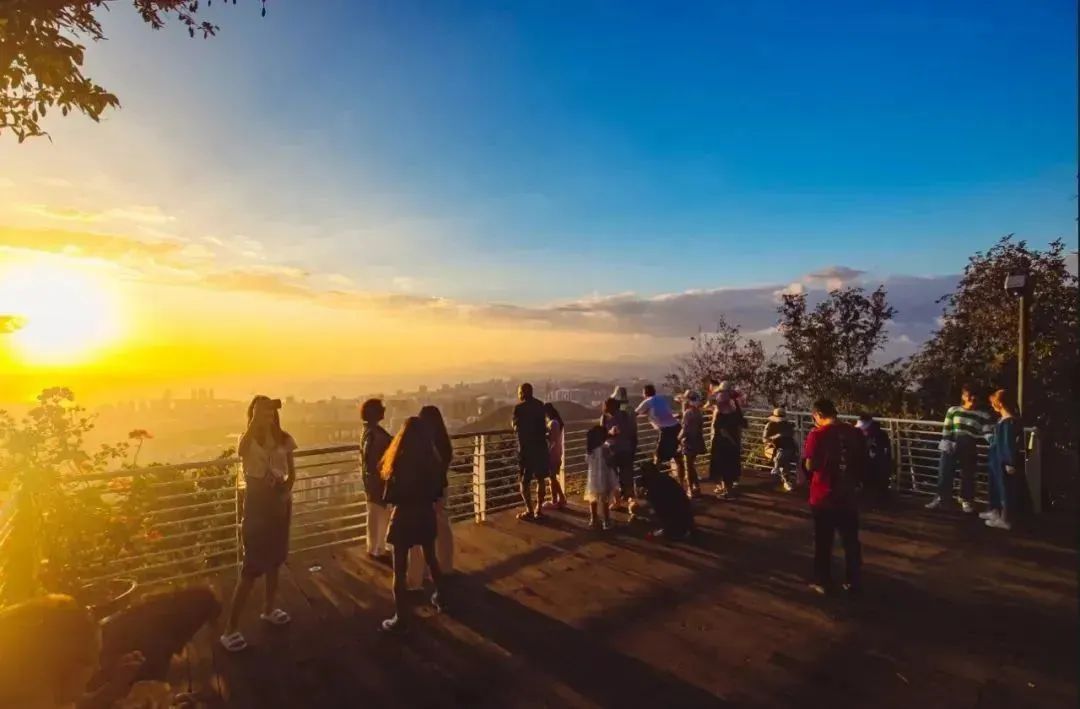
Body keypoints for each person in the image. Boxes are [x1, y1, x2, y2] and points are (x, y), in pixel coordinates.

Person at [0, 588, 219, 709]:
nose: (98, 665)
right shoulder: (34, 701)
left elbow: (80, 704)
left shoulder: (47, 693)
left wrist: (115, 685)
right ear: (61, 666)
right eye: (91, 659)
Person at [221, 395, 297, 652]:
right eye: (261, 412)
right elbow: (242, 451)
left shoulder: (284, 439)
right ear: (252, 414)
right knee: (251, 566)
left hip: (279, 503)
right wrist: (256, 421)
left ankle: (269, 608)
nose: (267, 416)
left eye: (269, 412)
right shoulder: (247, 440)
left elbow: (292, 472)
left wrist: (286, 492)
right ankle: (230, 628)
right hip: (256, 505)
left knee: (275, 559)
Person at [379, 416, 446, 632]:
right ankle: (443, 598)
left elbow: (389, 496)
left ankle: (401, 616)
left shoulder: (397, 461)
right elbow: (438, 492)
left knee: (399, 569)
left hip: (403, 517)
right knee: (431, 558)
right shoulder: (433, 461)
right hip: (425, 514)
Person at [802, 398, 866, 596]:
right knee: (851, 541)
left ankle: (823, 581)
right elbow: (861, 459)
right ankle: (853, 580)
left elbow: (810, 465)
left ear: (818, 415)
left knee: (823, 541)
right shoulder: (853, 431)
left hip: (824, 496)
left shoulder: (817, 434)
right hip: (848, 494)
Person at [407, 405, 456, 588]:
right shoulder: (444, 443)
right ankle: (445, 566)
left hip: (427, 492)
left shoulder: (424, 443)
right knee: (442, 529)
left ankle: (422, 573)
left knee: (423, 533)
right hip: (441, 489)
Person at [925, 384, 994, 513]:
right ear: (963, 396)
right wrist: (947, 442)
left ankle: (966, 499)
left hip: (969, 443)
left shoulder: (983, 415)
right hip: (951, 442)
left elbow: (986, 432)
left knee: (968, 473)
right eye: (969, 395)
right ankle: (941, 497)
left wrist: (993, 441)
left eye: (974, 396)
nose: (972, 398)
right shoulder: (953, 410)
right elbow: (947, 428)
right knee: (945, 471)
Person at [983, 389, 1024, 531]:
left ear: (999, 403)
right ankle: (997, 513)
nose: (992, 405)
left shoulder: (1008, 422)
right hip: (997, 458)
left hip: (1003, 460)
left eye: (993, 402)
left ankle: (1005, 519)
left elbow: (1008, 444)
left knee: (1005, 489)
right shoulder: (1003, 421)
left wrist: (1009, 462)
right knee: (998, 486)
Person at [361, 398, 393, 564]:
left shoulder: (370, 432)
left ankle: (378, 547)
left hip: (377, 479)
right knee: (377, 513)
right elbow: (372, 459)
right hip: (377, 480)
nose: (383, 411)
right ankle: (376, 548)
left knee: (378, 513)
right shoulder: (374, 434)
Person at [512, 383, 550, 521]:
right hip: (540, 447)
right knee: (541, 479)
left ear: (523, 393)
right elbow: (543, 426)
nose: (518, 395)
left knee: (524, 481)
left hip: (526, 449)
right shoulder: (540, 405)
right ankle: (539, 509)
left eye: (519, 392)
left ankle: (529, 510)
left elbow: (515, 426)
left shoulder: (519, 408)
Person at [635, 384, 687, 483]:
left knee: (658, 458)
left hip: (666, 431)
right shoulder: (661, 398)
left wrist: (646, 412)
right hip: (676, 427)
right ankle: (682, 484)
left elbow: (634, 413)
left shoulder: (647, 401)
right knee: (678, 458)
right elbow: (666, 412)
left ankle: (654, 484)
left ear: (645, 393)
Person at [706, 380, 747, 499]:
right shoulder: (735, 410)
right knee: (730, 467)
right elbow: (741, 424)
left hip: (723, 443)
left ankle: (729, 492)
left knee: (724, 467)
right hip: (733, 443)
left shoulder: (721, 414)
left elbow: (721, 429)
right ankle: (727, 490)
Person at [635, 461, 695, 541]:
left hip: (673, 517)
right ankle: (677, 528)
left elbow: (654, 505)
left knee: (635, 508)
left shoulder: (653, 486)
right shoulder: (666, 478)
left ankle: (671, 529)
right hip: (686, 516)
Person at [601, 396, 637, 507]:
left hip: (613, 450)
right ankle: (632, 502)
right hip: (624, 449)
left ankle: (618, 502)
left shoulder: (605, 418)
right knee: (626, 476)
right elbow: (632, 432)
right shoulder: (625, 415)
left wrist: (610, 434)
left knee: (614, 477)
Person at [584, 424, 619, 530]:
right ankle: (606, 521)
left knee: (593, 499)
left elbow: (588, 461)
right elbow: (609, 461)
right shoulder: (605, 448)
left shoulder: (590, 451)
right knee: (605, 500)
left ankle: (593, 519)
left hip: (593, 478)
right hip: (604, 476)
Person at [855, 413, 893, 504]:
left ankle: (877, 499)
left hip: (876, 466)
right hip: (870, 466)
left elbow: (883, 453)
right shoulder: (863, 435)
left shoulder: (879, 436)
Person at [676, 390, 705, 497]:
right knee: (691, 466)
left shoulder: (688, 413)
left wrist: (677, 439)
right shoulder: (698, 413)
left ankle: (690, 490)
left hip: (688, 443)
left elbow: (685, 429)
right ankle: (696, 487)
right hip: (697, 441)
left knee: (688, 467)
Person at [763, 407, 798, 492]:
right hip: (772, 448)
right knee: (783, 456)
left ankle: (779, 471)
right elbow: (764, 439)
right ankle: (786, 480)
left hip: (785, 449)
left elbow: (791, 438)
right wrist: (775, 437)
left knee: (783, 455)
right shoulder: (770, 425)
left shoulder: (788, 426)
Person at [543, 402, 568, 509]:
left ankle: (561, 498)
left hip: (553, 453)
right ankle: (555, 500)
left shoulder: (553, 423)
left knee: (552, 477)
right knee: (552, 477)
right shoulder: (556, 422)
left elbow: (552, 439)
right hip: (556, 452)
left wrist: (543, 434)